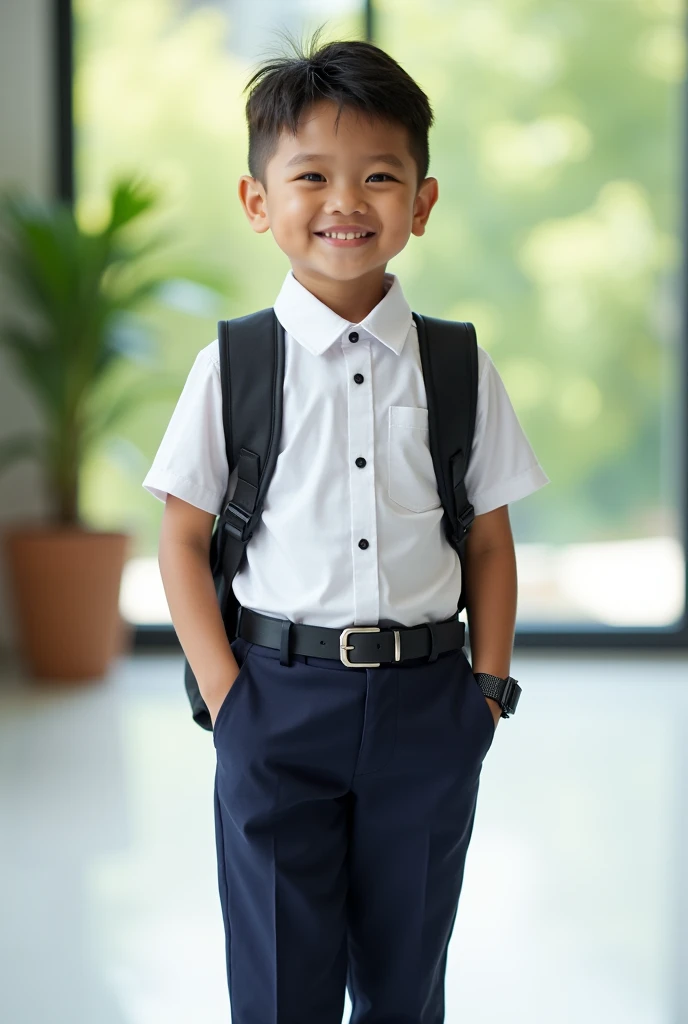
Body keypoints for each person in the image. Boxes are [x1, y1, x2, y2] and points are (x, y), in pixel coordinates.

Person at [142, 28, 550, 1024]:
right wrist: (229, 700)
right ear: (257, 202)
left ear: (421, 201)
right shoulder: (232, 367)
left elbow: (489, 541)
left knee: (407, 982)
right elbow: (181, 540)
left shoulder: (455, 365)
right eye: (310, 175)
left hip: (427, 705)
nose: (343, 203)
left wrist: (484, 691)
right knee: (282, 985)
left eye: (377, 176)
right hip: (275, 703)